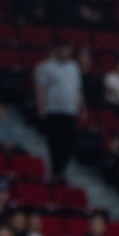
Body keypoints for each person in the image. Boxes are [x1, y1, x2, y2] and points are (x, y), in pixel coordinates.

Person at [34, 44, 84, 181]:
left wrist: (82, 106)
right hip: (54, 110)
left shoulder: (73, 67)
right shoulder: (47, 67)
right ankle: (55, 170)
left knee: (69, 143)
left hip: (70, 111)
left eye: (69, 50)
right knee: (56, 141)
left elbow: (78, 88)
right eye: (64, 50)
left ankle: (61, 170)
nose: (66, 53)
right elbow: (41, 87)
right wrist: (41, 106)